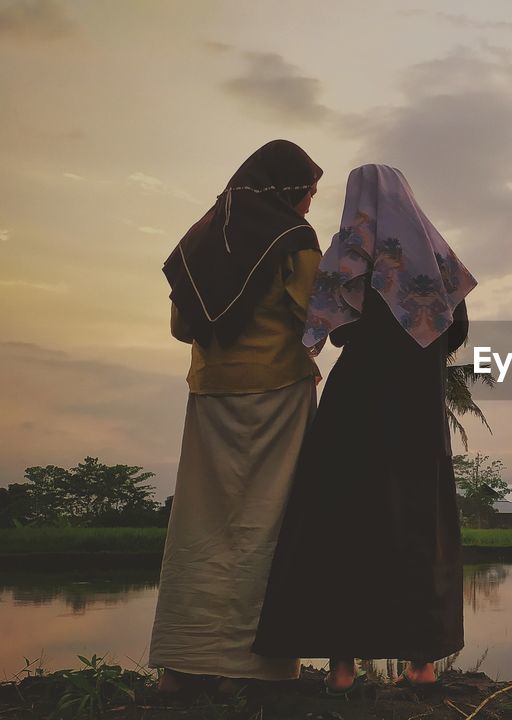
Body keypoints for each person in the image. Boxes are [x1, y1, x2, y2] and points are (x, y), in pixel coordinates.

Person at [253, 164, 477, 693]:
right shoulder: (436, 254)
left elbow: (333, 333)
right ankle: (420, 665)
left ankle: (342, 669)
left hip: (356, 399)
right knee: (418, 518)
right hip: (417, 400)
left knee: (341, 517)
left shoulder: (347, 252)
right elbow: (456, 330)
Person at [150, 139, 324, 693]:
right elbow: (319, 316)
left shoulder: (201, 240)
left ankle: (182, 664)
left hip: (209, 397)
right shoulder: (293, 241)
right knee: (270, 525)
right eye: (308, 194)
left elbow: (182, 327)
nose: (309, 207)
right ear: (288, 191)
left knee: (200, 527)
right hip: (277, 395)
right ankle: (253, 670)